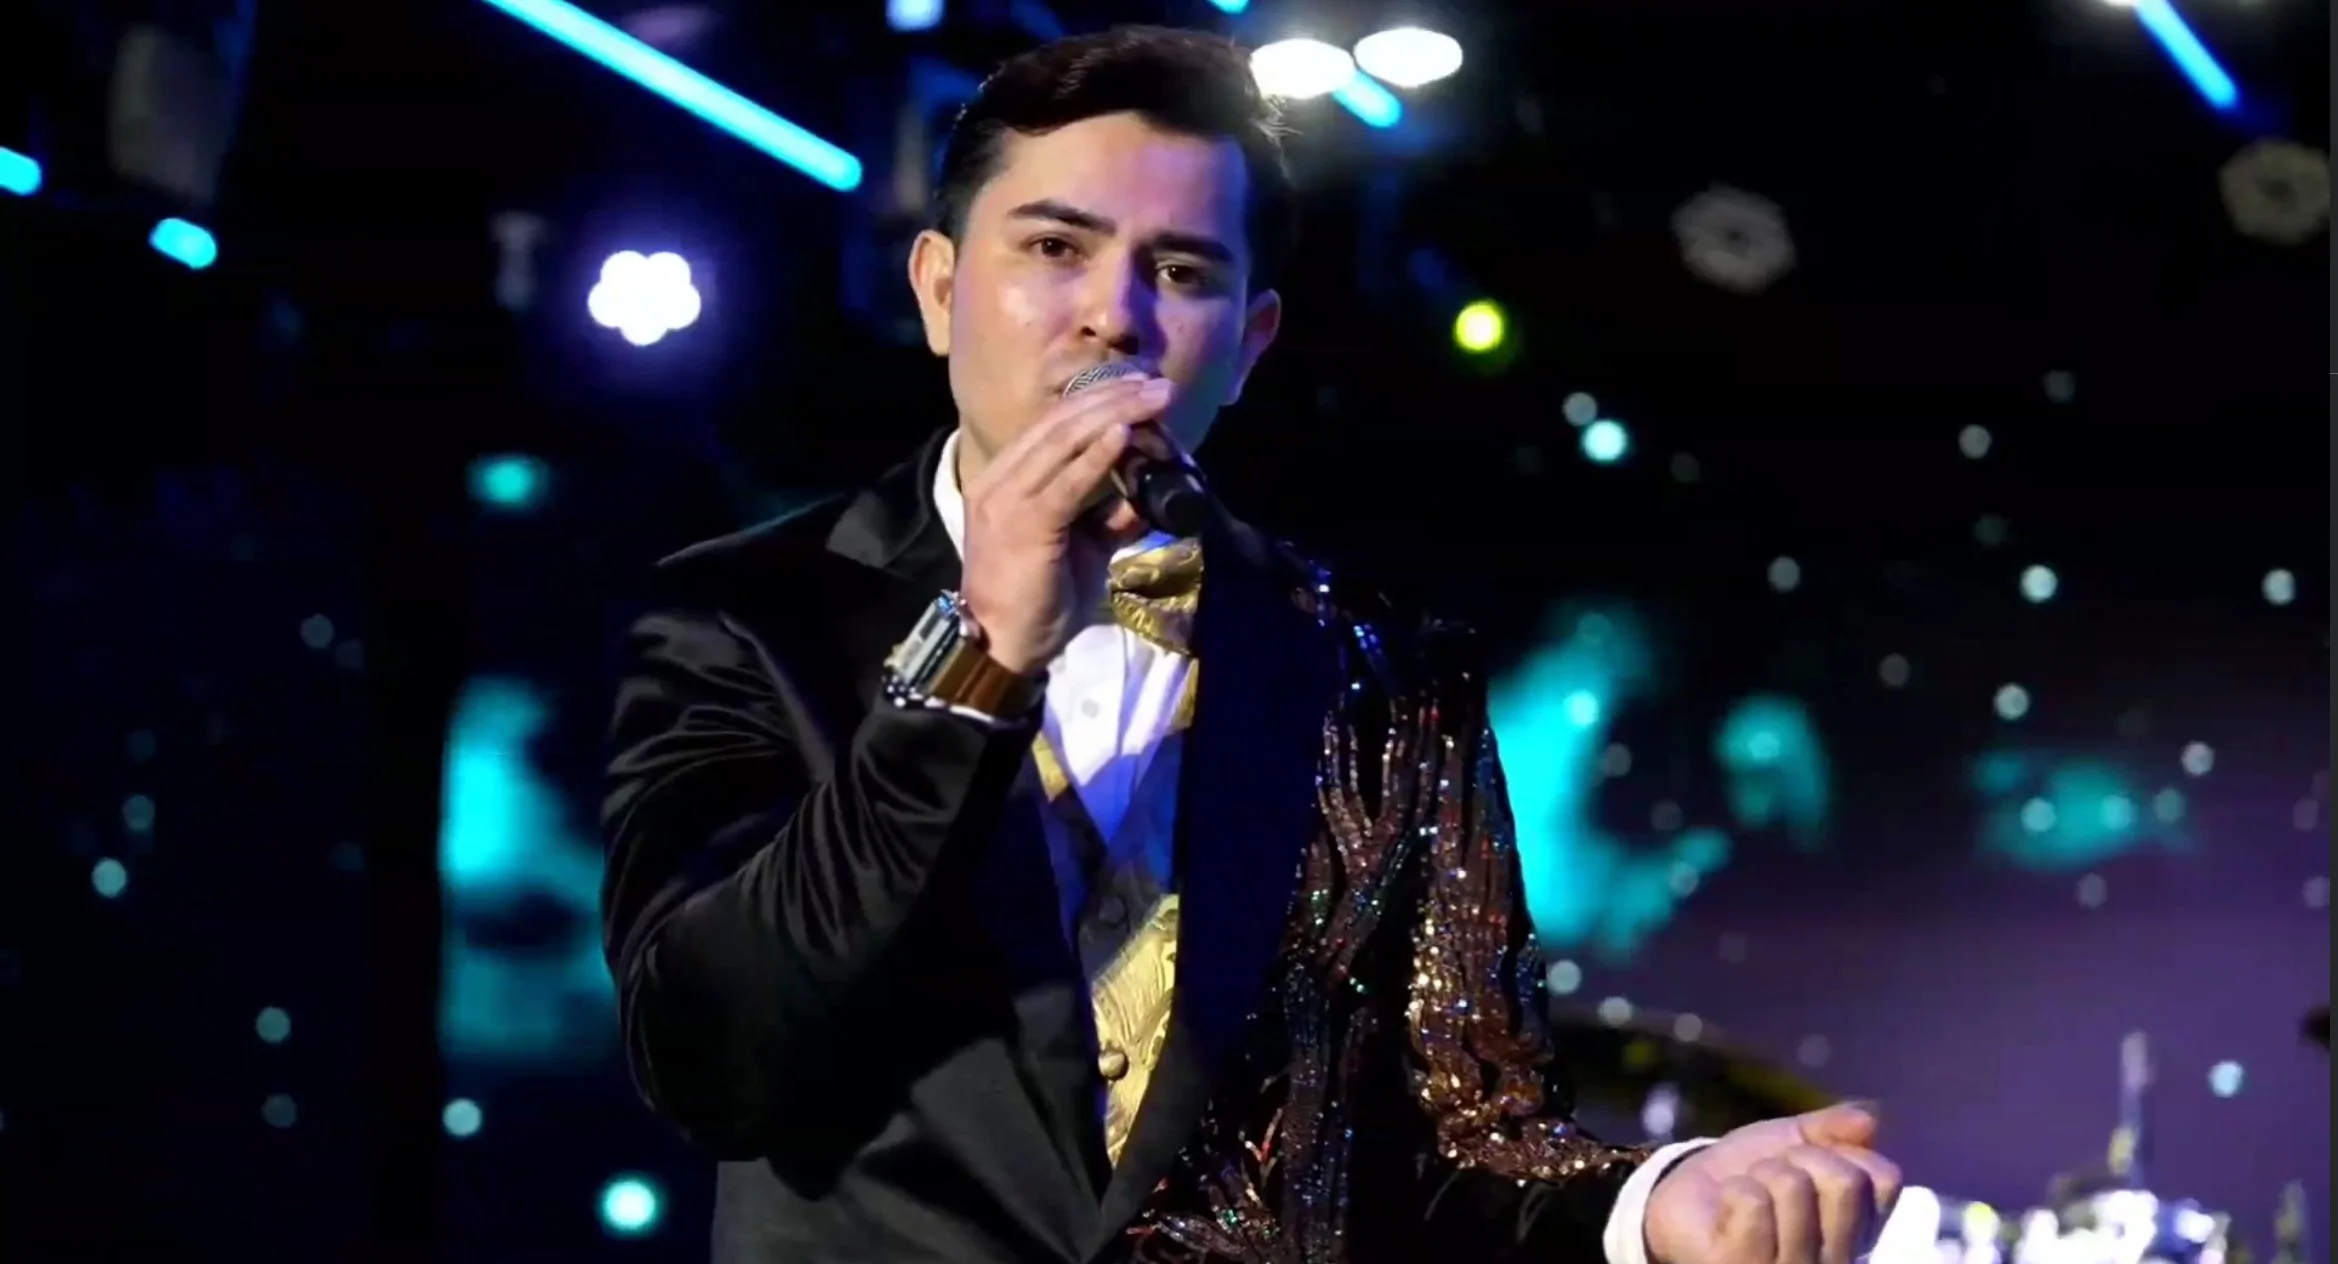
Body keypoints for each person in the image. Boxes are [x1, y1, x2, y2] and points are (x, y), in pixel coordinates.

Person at [601, 25, 1902, 1264]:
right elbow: (710, 1055)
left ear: (1250, 338)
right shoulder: (743, 618)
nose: (1113, 316)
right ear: (941, 291)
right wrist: (979, 649)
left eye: (1179, 271)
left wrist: (1656, 1208)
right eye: (1053, 248)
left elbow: (1461, 1137)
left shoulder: (1378, 670)